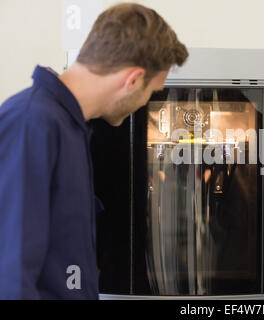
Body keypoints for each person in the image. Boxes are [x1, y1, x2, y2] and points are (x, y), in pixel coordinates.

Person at [0, 3, 188, 299]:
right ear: (133, 80)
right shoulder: (32, 123)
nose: (145, 104)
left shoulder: (71, 127)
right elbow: (10, 274)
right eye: (151, 93)